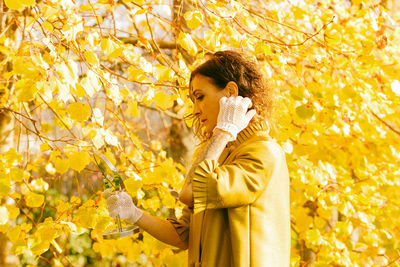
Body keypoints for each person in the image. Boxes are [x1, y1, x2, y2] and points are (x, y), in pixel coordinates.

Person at [102, 51, 290, 266]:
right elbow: (183, 235)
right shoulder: (217, 155)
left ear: (230, 93)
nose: (195, 110)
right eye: (192, 100)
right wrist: (134, 213)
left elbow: (190, 192)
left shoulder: (263, 152)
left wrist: (223, 132)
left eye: (200, 97)